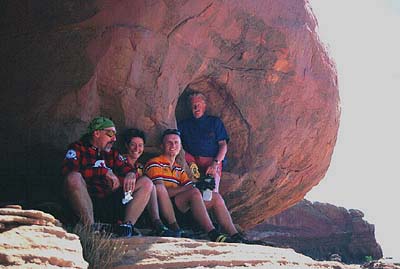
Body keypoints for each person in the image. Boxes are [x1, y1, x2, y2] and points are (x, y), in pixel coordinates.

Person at [144, 128, 247, 243]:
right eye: (169, 142)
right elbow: (160, 192)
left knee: (215, 197)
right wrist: (191, 187)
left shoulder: (178, 168)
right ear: (162, 146)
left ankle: (235, 235)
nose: (173, 145)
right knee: (193, 192)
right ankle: (212, 233)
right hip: (164, 210)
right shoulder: (155, 163)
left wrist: (203, 185)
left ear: (180, 146)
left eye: (176, 142)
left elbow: (192, 187)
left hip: (181, 207)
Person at [61, 116, 153, 236]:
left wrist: (131, 174)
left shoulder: (113, 153)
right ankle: (91, 228)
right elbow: (68, 170)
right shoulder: (78, 148)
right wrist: (102, 171)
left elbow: (128, 168)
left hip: (109, 201)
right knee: (73, 178)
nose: (114, 139)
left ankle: (126, 227)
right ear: (96, 133)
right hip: (86, 201)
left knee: (146, 183)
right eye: (110, 134)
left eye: (115, 135)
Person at [121, 128, 178, 237]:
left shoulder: (140, 166)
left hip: (136, 201)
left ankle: (158, 224)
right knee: (147, 182)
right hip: (120, 198)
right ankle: (156, 224)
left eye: (141, 145)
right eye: (133, 145)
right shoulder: (120, 159)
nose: (137, 148)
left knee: (151, 184)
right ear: (126, 145)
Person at [178, 91, 228, 192]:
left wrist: (215, 164)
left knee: (210, 190)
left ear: (204, 106)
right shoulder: (185, 125)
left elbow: (223, 145)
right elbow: (173, 139)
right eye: (193, 106)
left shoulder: (214, 122)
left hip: (211, 161)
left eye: (198, 105)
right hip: (191, 161)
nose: (196, 108)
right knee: (190, 189)